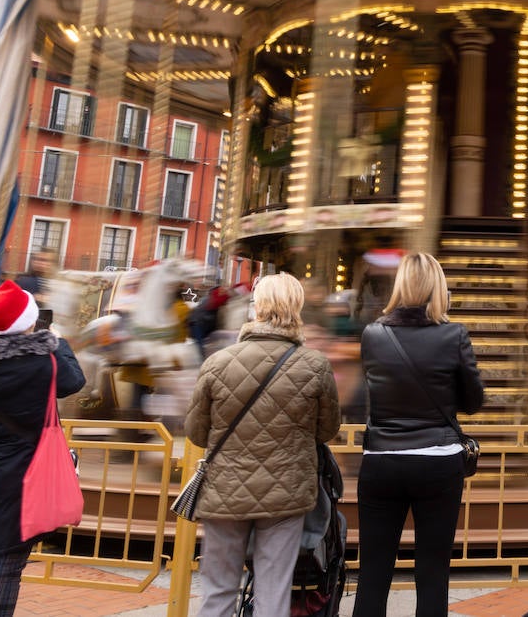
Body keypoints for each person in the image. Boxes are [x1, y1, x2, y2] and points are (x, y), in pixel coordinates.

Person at [185, 272, 342, 617]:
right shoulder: (315, 365)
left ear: (256, 307)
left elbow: (197, 432)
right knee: (274, 592)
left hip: (225, 490)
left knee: (217, 590)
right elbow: (327, 430)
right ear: (296, 307)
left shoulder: (218, 362)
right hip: (286, 492)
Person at [0, 280, 86, 617]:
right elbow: (73, 381)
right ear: (29, 322)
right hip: (21, 475)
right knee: (5, 569)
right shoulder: (44, 363)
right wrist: (58, 341)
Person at [354, 252, 485, 617]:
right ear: (438, 288)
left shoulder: (373, 335)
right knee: (432, 571)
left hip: (381, 460)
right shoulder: (453, 334)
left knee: (373, 573)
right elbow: (474, 401)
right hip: (437, 462)